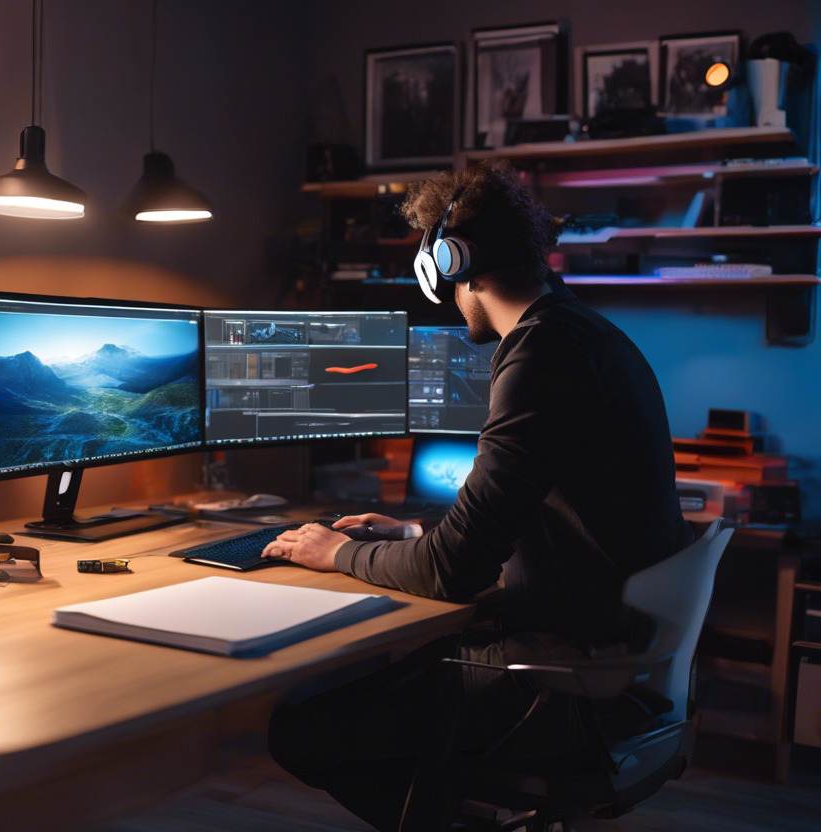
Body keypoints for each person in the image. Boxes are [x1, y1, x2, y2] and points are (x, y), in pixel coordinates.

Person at [262, 160, 693, 831]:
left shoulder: (537, 357)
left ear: (453, 265)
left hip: (556, 677)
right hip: (603, 658)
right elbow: (529, 517)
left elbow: (449, 572)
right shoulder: (585, 334)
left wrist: (339, 551)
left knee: (301, 724)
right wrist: (407, 535)